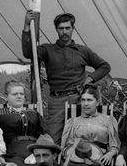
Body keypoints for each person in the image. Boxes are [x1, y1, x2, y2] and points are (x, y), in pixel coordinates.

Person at [22, 11, 111, 144]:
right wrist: (27, 25)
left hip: (78, 99)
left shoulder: (83, 51)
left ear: (73, 29)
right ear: (56, 30)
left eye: (68, 28)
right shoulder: (47, 50)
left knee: (81, 137)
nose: (64, 32)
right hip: (57, 101)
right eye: (61, 28)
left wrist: (88, 80)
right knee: (53, 140)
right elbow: (29, 53)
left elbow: (104, 66)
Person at [0, 80, 48, 166]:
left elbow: (44, 134)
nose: (19, 96)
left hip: (34, 149)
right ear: (6, 96)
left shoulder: (33, 113)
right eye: (15, 94)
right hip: (12, 151)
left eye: (21, 94)